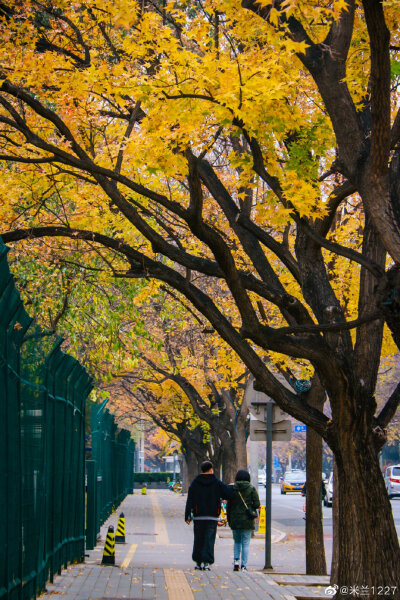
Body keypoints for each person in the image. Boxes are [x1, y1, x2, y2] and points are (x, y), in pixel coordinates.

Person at [185, 460, 233, 571]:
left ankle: (198, 561)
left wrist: (188, 515)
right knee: (209, 539)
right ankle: (207, 562)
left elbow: (190, 499)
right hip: (212, 515)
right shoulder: (215, 482)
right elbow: (227, 492)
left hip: (198, 516)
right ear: (211, 469)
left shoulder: (196, 482)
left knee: (198, 539)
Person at [226, 469, 260, 572]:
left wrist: (229, 519)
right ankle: (244, 565)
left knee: (237, 541)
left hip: (235, 519)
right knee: (246, 543)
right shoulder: (251, 489)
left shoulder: (233, 489)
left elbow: (229, 506)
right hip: (247, 520)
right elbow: (257, 504)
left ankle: (236, 561)